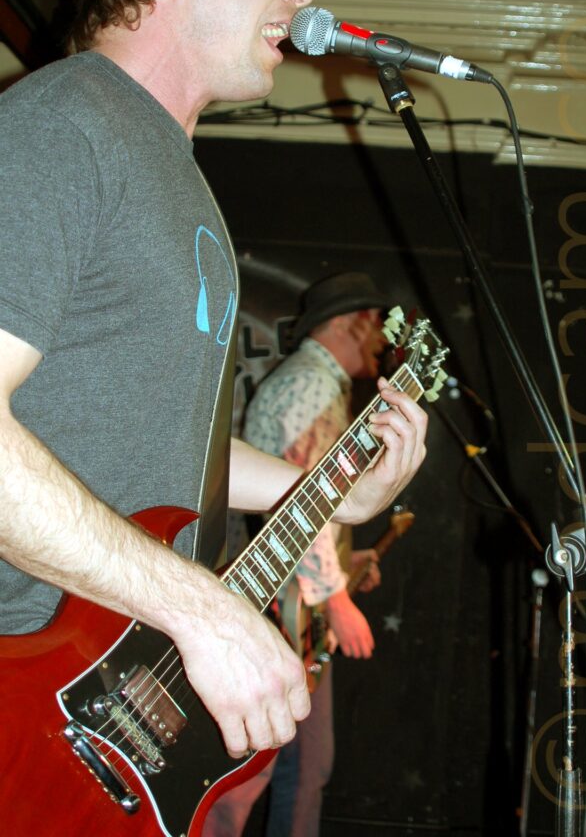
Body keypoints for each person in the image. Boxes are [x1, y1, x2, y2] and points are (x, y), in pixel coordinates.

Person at [0, 0, 428, 823]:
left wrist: (326, 489)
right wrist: (200, 607)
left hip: (96, 721)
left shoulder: (185, 189)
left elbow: (159, 447)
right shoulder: (66, 126)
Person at [206, 271, 398, 837]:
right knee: (252, 775)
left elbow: (309, 499)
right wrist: (335, 596)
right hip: (285, 609)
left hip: (296, 608)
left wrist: (348, 560)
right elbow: (299, 506)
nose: (382, 342)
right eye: (374, 326)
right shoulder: (312, 385)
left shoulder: (321, 385)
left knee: (299, 766)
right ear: (345, 323)